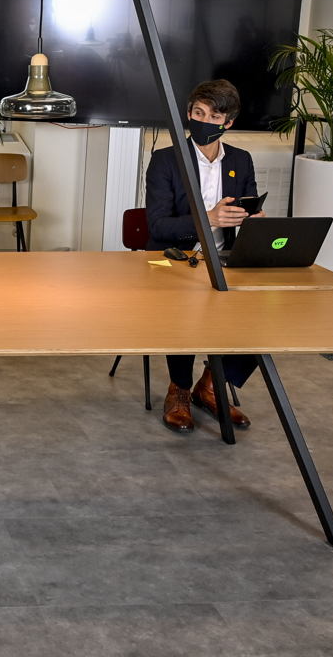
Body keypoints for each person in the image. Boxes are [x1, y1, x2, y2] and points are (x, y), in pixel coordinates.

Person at [144, 79, 264, 434]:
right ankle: (179, 389)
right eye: (198, 113)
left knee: (266, 311)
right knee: (183, 306)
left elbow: (248, 208)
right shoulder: (165, 160)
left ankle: (211, 386)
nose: (204, 121)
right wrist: (207, 219)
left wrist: (255, 222)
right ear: (188, 114)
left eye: (214, 116)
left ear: (228, 123)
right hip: (170, 258)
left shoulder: (241, 161)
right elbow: (158, 225)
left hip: (224, 258)